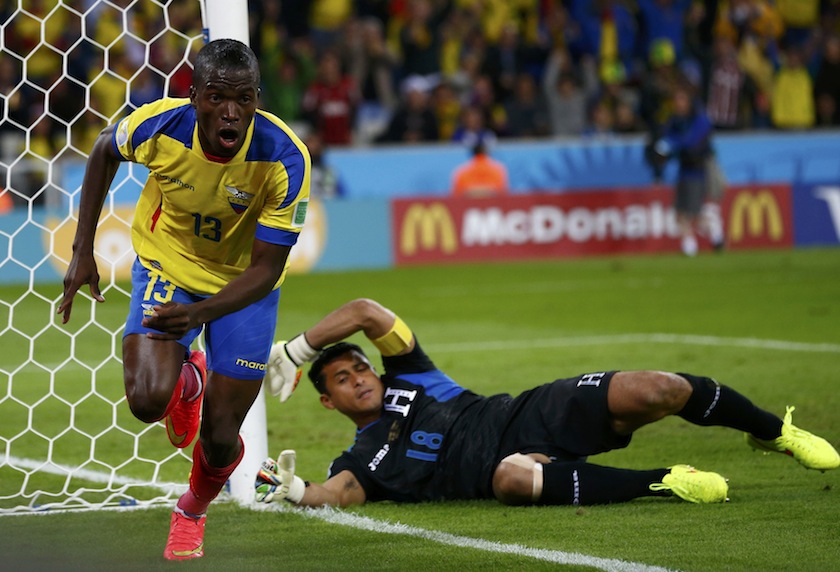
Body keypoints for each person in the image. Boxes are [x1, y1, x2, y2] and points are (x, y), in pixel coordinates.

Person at [57, 39, 310, 560]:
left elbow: (266, 269)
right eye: (217, 96)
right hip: (167, 264)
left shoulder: (284, 157)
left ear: (257, 100)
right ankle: (188, 380)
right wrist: (83, 250)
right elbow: (105, 147)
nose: (231, 111)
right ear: (194, 97)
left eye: (244, 99)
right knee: (148, 399)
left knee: (221, 437)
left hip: (243, 288)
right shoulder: (159, 127)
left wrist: (198, 315)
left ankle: (191, 510)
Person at [254, 298, 839, 508]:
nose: (358, 379)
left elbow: (366, 311)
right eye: (341, 378)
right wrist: (299, 491)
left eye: (359, 366)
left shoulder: (412, 375)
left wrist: (303, 348)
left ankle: (773, 433)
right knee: (511, 480)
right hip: (507, 467)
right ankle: (664, 481)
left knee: (661, 388)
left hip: (532, 412)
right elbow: (337, 494)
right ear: (328, 402)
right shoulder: (364, 458)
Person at [650, 82, 725, 256]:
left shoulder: (700, 119)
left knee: (694, 213)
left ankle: (714, 232)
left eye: (682, 99)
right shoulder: (675, 120)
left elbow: (691, 141)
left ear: (689, 101)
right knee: (679, 211)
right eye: (676, 100)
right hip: (684, 170)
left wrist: (670, 144)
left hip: (699, 170)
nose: (678, 103)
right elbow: (665, 138)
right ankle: (689, 246)